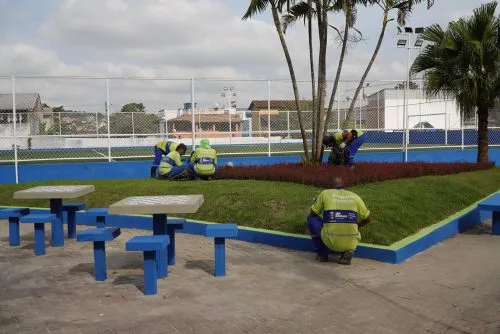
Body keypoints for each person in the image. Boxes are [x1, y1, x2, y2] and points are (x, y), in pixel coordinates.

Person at [306, 177, 371, 265]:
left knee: (311, 218)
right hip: (351, 243)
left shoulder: (325, 193)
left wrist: (317, 202)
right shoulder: (355, 196)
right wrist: (358, 225)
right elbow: (368, 218)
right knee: (348, 223)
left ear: (330, 186)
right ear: (344, 185)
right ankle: (347, 253)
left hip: (330, 241)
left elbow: (313, 212)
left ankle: (322, 255)